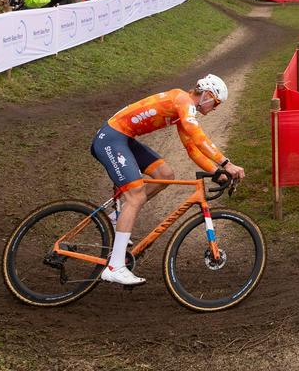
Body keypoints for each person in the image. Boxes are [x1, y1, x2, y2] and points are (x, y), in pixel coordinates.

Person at [89, 73, 243, 286]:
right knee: (135, 196)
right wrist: (227, 163)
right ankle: (115, 267)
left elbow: (192, 149)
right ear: (207, 95)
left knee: (165, 175)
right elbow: (197, 136)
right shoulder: (183, 101)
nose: (215, 108)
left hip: (123, 138)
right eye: (216, 103)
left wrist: (217, 172)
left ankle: (117, 218)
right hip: (111, 139)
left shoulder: (182, 109)